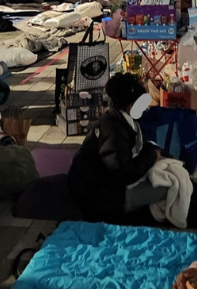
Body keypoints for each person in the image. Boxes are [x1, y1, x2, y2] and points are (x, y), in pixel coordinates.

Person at [68, 73, 163, 223]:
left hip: (99, 186)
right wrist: (151, 157)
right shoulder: (113, 130)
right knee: (165, 188)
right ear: (130, 105)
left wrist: (152, 152)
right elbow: (122, 173)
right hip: (97, 196)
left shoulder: (119, 120)